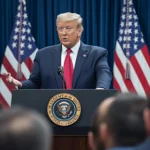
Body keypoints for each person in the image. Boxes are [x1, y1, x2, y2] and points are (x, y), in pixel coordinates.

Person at [5, 12, 112, 89]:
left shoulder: (96, 54)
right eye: (60, 28)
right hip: (53, 112)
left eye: (68, 28)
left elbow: (104, 75)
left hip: (85, 109)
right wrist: (20, 84)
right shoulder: (43, 55)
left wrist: (100, 90)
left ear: (79, 31)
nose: (63, 33)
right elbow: (35, 82)